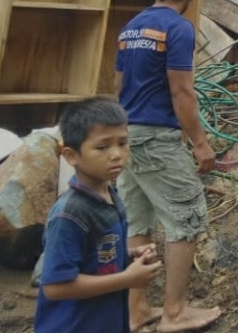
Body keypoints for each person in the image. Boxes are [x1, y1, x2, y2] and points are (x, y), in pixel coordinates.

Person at [114, 0, 221, 333]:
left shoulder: (132, 27)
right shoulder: (178, 28)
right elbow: (182, 91)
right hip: (157, 139)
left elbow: (119, 86)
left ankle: (137, 308)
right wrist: (201, 143)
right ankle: (174, 313)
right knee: (187, 219)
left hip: (126, 136)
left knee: (138, 222)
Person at [34, 97, 162, 333]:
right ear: (71, 156)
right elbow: (55, 286)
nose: (116, 154)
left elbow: (96, 253)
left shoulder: (110, 193)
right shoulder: (70, 215)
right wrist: (127, 279)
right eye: (103, 147)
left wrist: (129, 255)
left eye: (122, 143)